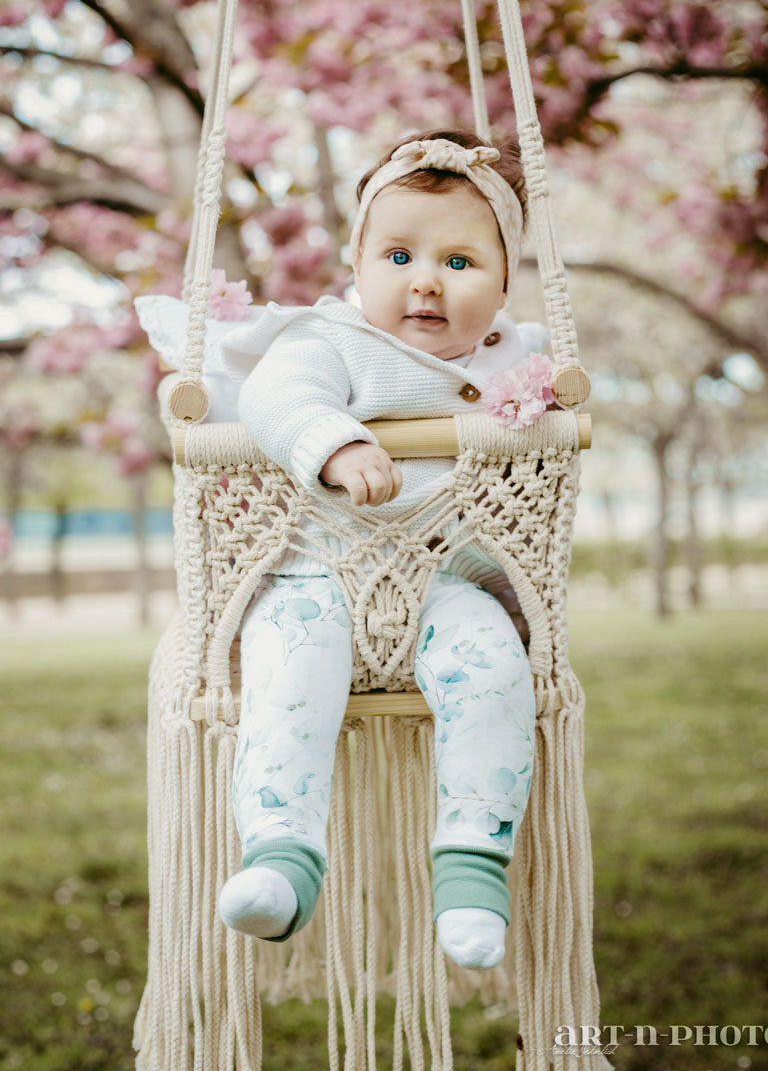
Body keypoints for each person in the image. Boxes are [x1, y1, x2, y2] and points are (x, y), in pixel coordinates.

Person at [216, 129, 541, 969]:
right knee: (286, 681)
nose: (425, 281)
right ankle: (281, 856)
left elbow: (555, 418)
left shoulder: (517, 359)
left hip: (449, 583)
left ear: (506, 282)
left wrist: (552, 410)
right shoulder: (327, 343)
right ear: (356, 263)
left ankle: (473, 867)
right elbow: (276, 397)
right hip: (317, 574)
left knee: (496, 676)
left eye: (460, 262)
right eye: (398, 256)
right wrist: (337, 443)